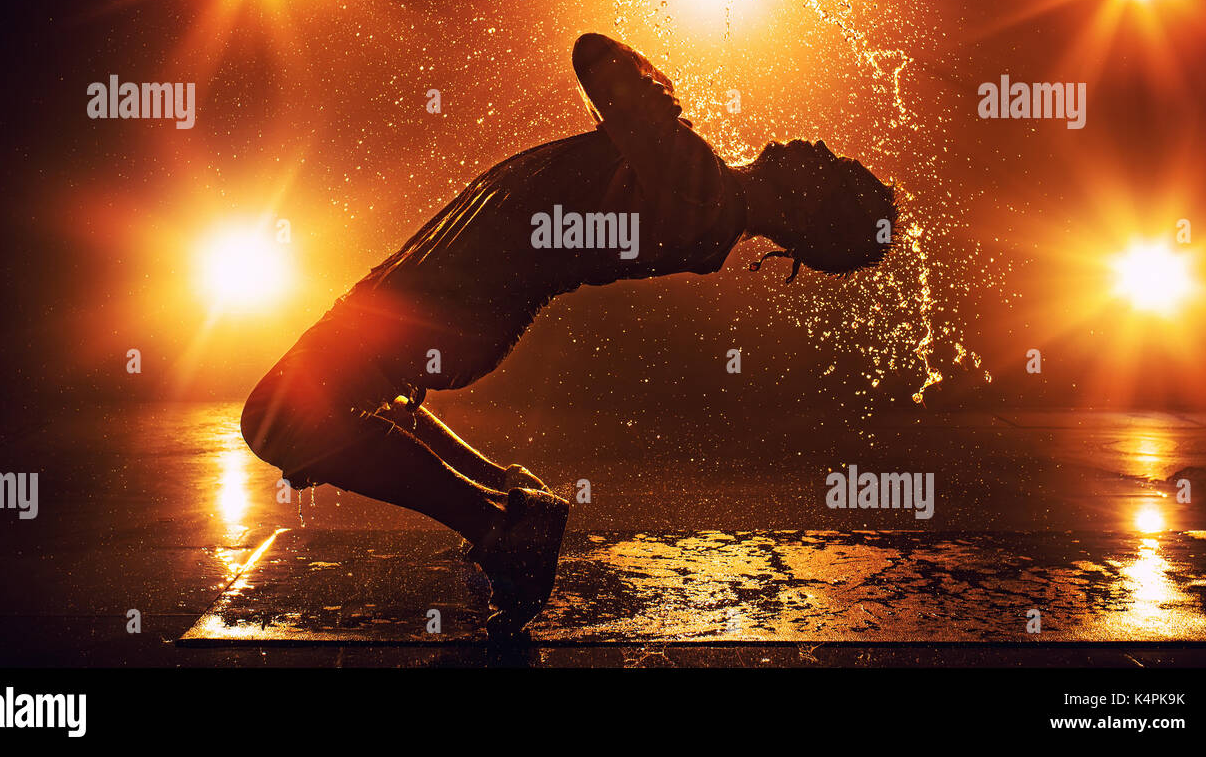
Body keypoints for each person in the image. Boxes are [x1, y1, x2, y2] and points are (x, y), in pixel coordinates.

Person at [240, 32, 898, 635]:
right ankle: (504, 491)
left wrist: (659, 96)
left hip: (446, 304)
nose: (819, 148)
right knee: (332, 409)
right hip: (447, 301)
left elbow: (594, 53)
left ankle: (500, 527)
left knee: (276, 421)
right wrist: (654, 120)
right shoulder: (706, 200)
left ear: (812, 210)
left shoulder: (701, 191)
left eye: (832, 168)